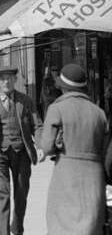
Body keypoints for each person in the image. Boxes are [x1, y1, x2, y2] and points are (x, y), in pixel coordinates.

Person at [39, 63, 107, 235]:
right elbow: (106, 150)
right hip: (94, 177)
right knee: (90, 226)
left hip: (66, 174)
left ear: (63, 87)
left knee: (62, 226)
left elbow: (47, 146)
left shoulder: (57, 109)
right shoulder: (99, 113)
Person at [0, 66, 42, 235]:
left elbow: (37, 125)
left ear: (15, 80)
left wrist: (41, 145)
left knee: (21, 192)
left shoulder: (25, 101)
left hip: (21, 152)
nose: (6, 81)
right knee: (1, 193)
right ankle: (3, 231)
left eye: (9, 78)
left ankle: (17, 227)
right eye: (2, 79)